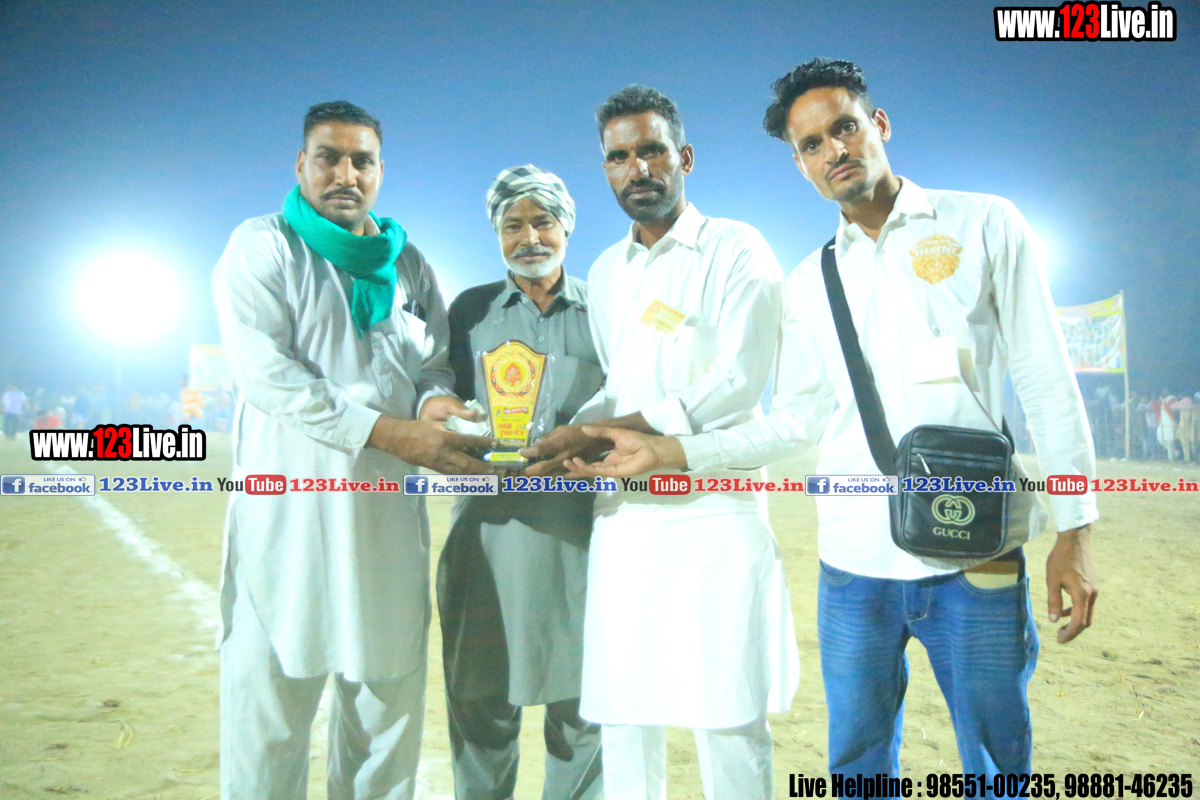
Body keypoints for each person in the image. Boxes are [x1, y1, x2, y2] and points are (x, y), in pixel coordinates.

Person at [569, 60, 1099, 779]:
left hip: (974, 547)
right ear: (801, 164)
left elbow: (1043, 376)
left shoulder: (982, 224)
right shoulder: (810, 280)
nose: (835, 151)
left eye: (845, 128)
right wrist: (672, 452)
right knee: (856, 764)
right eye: (813, 144)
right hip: (853, 564)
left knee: (997, 760)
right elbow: (793, 422)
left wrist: (1076, 528)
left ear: (878, 125)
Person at [212, 100, 493, 799]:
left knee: (385, 716)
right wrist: (392, 432)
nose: (345, 174)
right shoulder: (265, 246)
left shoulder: (408, 262)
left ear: (380, 170)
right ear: (300, 165)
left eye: (361, 161)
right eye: (328, 158)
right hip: (288, 520)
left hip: (385, 521)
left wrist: (433, 403)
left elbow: (433, 363)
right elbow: (268, 377)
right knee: (269, 719)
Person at [525, 86, 798, 799]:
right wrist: (570, 434)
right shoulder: (607, 272)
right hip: (625, 515)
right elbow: (621, 385)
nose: (637, 168)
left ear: (685, 158)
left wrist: (610, 429)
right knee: (623, 711)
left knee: (727, 712)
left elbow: (739, 380)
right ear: (605, 170)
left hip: (715, 508)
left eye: (652, 150)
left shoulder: (735, 247)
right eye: (619, 157)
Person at [437, 165, 604, 800]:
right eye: (512, 225)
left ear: (567, 227)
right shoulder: (469, 310)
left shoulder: (605, 307)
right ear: (497, 234)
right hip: (486, 536)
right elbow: (437, 385)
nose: (529, 238)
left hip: (583, 539)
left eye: (543, 222)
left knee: (584, 715)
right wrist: (443, 411)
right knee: (481, 705)